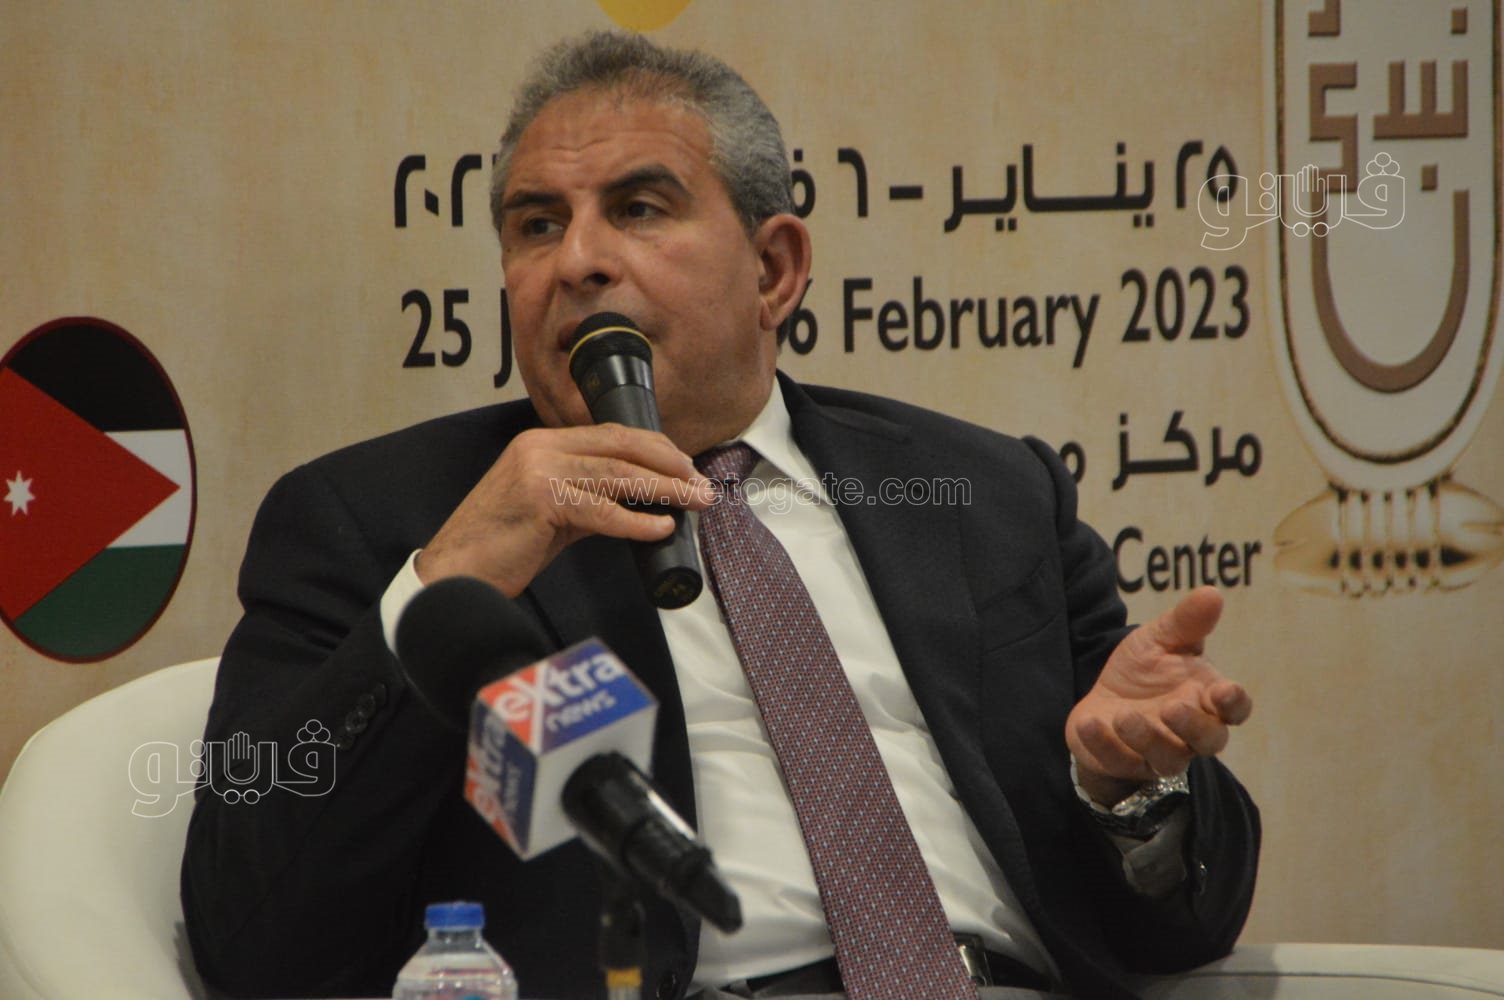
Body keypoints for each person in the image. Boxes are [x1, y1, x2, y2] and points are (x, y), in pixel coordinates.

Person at [182, 30, 1258, 1000]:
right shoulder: (378, 519)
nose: (578, 260)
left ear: (775, 269)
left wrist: (1125, 788)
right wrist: (451, 576)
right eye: (537, 225)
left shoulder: (986, 493)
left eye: (638, 210)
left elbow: (1188, 924)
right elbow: (252, 937)